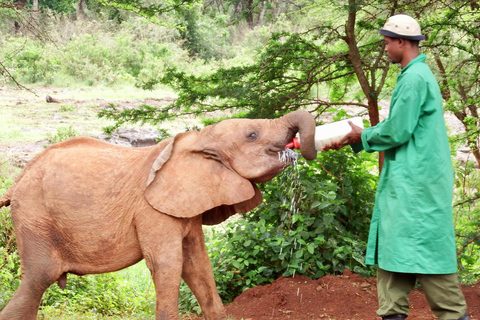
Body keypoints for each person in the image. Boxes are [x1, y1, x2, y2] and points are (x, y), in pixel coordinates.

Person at [323, 14, 470, 320]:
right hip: (409, 183)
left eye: (388, 42)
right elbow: (397, 125)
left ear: (402, 42)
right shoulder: (412, 75)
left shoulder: (415, 78)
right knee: (392, 256)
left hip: (416, 186)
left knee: (426, 257)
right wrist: (360, 137)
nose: (385, 49)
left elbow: (398, 130)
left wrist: (360, 136)